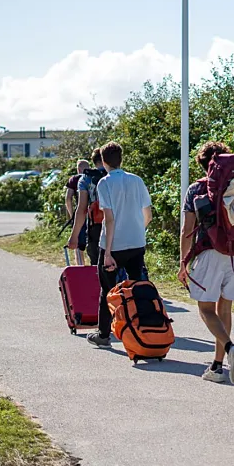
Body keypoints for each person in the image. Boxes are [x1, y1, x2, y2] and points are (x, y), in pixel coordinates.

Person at [178, 141, 234, 384]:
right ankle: (216, 365)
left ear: (203, 165)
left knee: (205, 310)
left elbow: (186, 230)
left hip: (209, 253)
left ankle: (231, 348)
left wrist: (183, 262)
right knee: (225, 309)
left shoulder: (196, 190)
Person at [85, 142, 153, 347]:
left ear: (104, 161)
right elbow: (147, 213)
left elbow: (110, 219)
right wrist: (139, 230)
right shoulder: (137, 180)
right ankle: (143, 329)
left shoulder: (104, 183)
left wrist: (107, 252)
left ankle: (104, 334)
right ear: (121, 159)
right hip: (136, 242)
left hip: (113, 245)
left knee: (107, 289)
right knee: (137, 287)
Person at [68, 148, 106, 266]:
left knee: (97, 263)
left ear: (94, 162)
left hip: (96, 225)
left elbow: (81, 209)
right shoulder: (119, 175)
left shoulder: (86, 178)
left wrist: (74, 236)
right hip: (118, 224)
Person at [64, 159, 90, 266]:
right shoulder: (93, 177)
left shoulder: (74, 179)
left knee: (78, 242)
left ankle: (80, 266)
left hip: (80, 212)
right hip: (94, 213)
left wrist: (71, 215)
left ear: (78, 169)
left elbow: (68, 198)